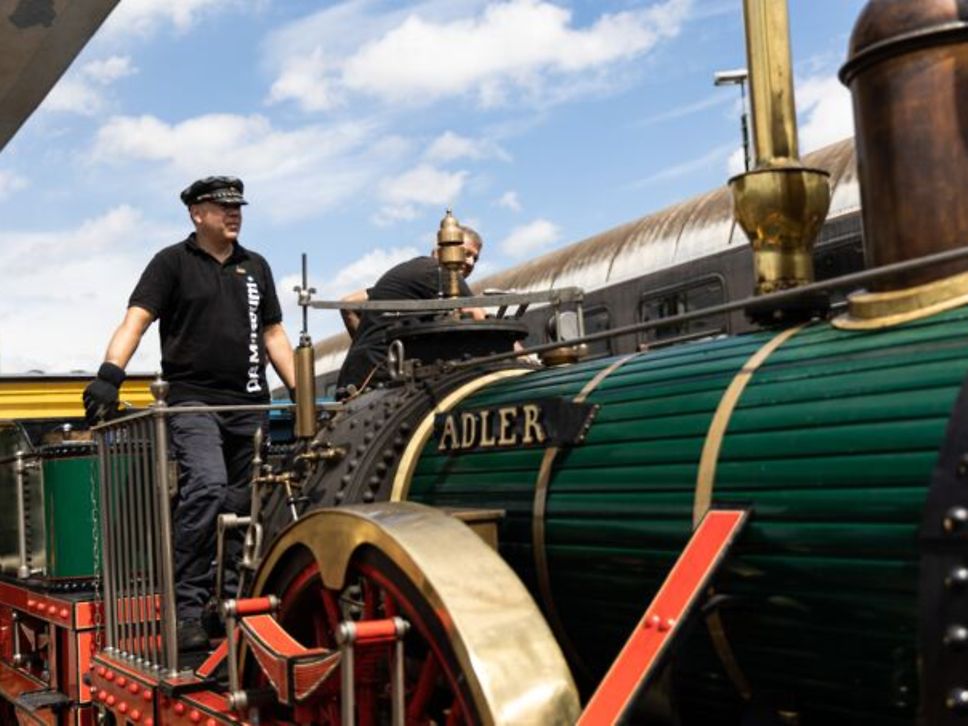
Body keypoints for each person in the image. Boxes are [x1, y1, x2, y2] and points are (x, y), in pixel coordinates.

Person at [82, 176, 296, 653]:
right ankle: (185, 608)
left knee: (246, 508)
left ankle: (233, 606)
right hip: (194, 400)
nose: (234, 213)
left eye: (238, 206)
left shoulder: (255, 266)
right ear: (197, 214)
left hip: (249, 404)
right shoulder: (171, 263)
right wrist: (109, 374)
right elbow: (136, 319)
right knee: (207, 487)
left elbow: (275, 335)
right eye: (223, 207)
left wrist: (301, 394)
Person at [336, 226, 484, 391]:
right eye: (465, 253)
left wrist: (369, 350)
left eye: (475, 258)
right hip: (384, 378)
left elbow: (348, 304)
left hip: (356, 376)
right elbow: (478, 317)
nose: (470, 262)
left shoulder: (414, 272)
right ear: (443, 248)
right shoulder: (439, 271)